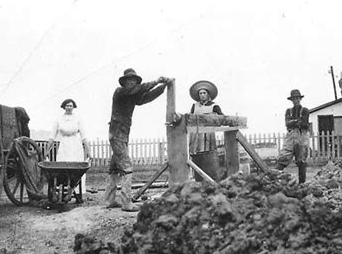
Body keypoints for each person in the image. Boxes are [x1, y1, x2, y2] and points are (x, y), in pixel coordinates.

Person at [104, 68, 172, 212]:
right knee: (127, 166)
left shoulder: (131, 95)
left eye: (134, 80)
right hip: (117, 133)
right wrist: (156, 81)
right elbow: (139, 90)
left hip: (121, 133)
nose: (132, 82)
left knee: (115, 167)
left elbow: (144, 98)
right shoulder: (120, 92)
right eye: (130, 80)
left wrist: (163, 87)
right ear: (124, 82)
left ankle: (109, 200)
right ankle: (126, 202)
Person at [46, 98, 91, 202]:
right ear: (64, 107)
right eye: (67, 106)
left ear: (73, 107)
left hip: (76, 146)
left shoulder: (78, 119)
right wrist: (47, 150)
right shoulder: (58, 119)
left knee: (76, 170)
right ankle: (61, 193)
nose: (69, 108)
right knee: (62, 169)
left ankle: (75, 193)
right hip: (64, 147)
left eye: (71, 106)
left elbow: (84, 136)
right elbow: (52, 136)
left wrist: (88, 151)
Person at [188, 80, 223, 181]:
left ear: (208, 94)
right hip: (195, 137)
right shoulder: (195, 106)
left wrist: (211, 117)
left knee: (208, 158)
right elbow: (190, 118)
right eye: (200, 93)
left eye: (204, 93)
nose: (202, 95)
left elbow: (221, 118)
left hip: (208, 137)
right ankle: (199, 180)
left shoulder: (214, 105)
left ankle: (212, 180)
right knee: (197, 158)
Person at [275, 89, 310, 183]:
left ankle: (302, 184)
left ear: (300, 99)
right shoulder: (288, 111)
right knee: (283, 158)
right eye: (294, 99)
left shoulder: (305, 110)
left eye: (297, 98)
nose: (296, 100)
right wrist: (297, 121)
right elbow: (287, 124)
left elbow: (305, 123)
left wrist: (294, 122)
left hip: (301, 136)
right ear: (291, 100)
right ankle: (273, 180)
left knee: (301, 161)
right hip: (290, 137)